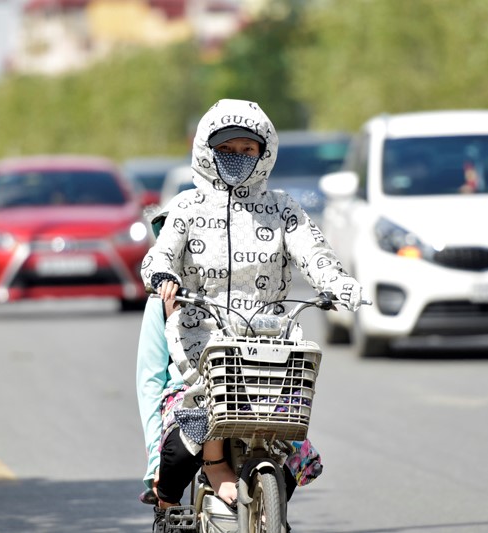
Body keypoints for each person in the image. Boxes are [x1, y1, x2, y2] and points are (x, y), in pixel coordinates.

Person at [139, 99, 362, 526]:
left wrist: (340, 285)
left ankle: (265, 512)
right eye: (227, 149)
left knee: (295, 448)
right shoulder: (187, 208)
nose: (238, 159)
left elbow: (315, 254)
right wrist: (164, 273)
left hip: (269, 346)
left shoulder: (282, 207)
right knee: (188, 437)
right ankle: (174, 504)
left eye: (248, 150)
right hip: (200, 343)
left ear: (265, 153)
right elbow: (159, 255)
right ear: (207, 151)